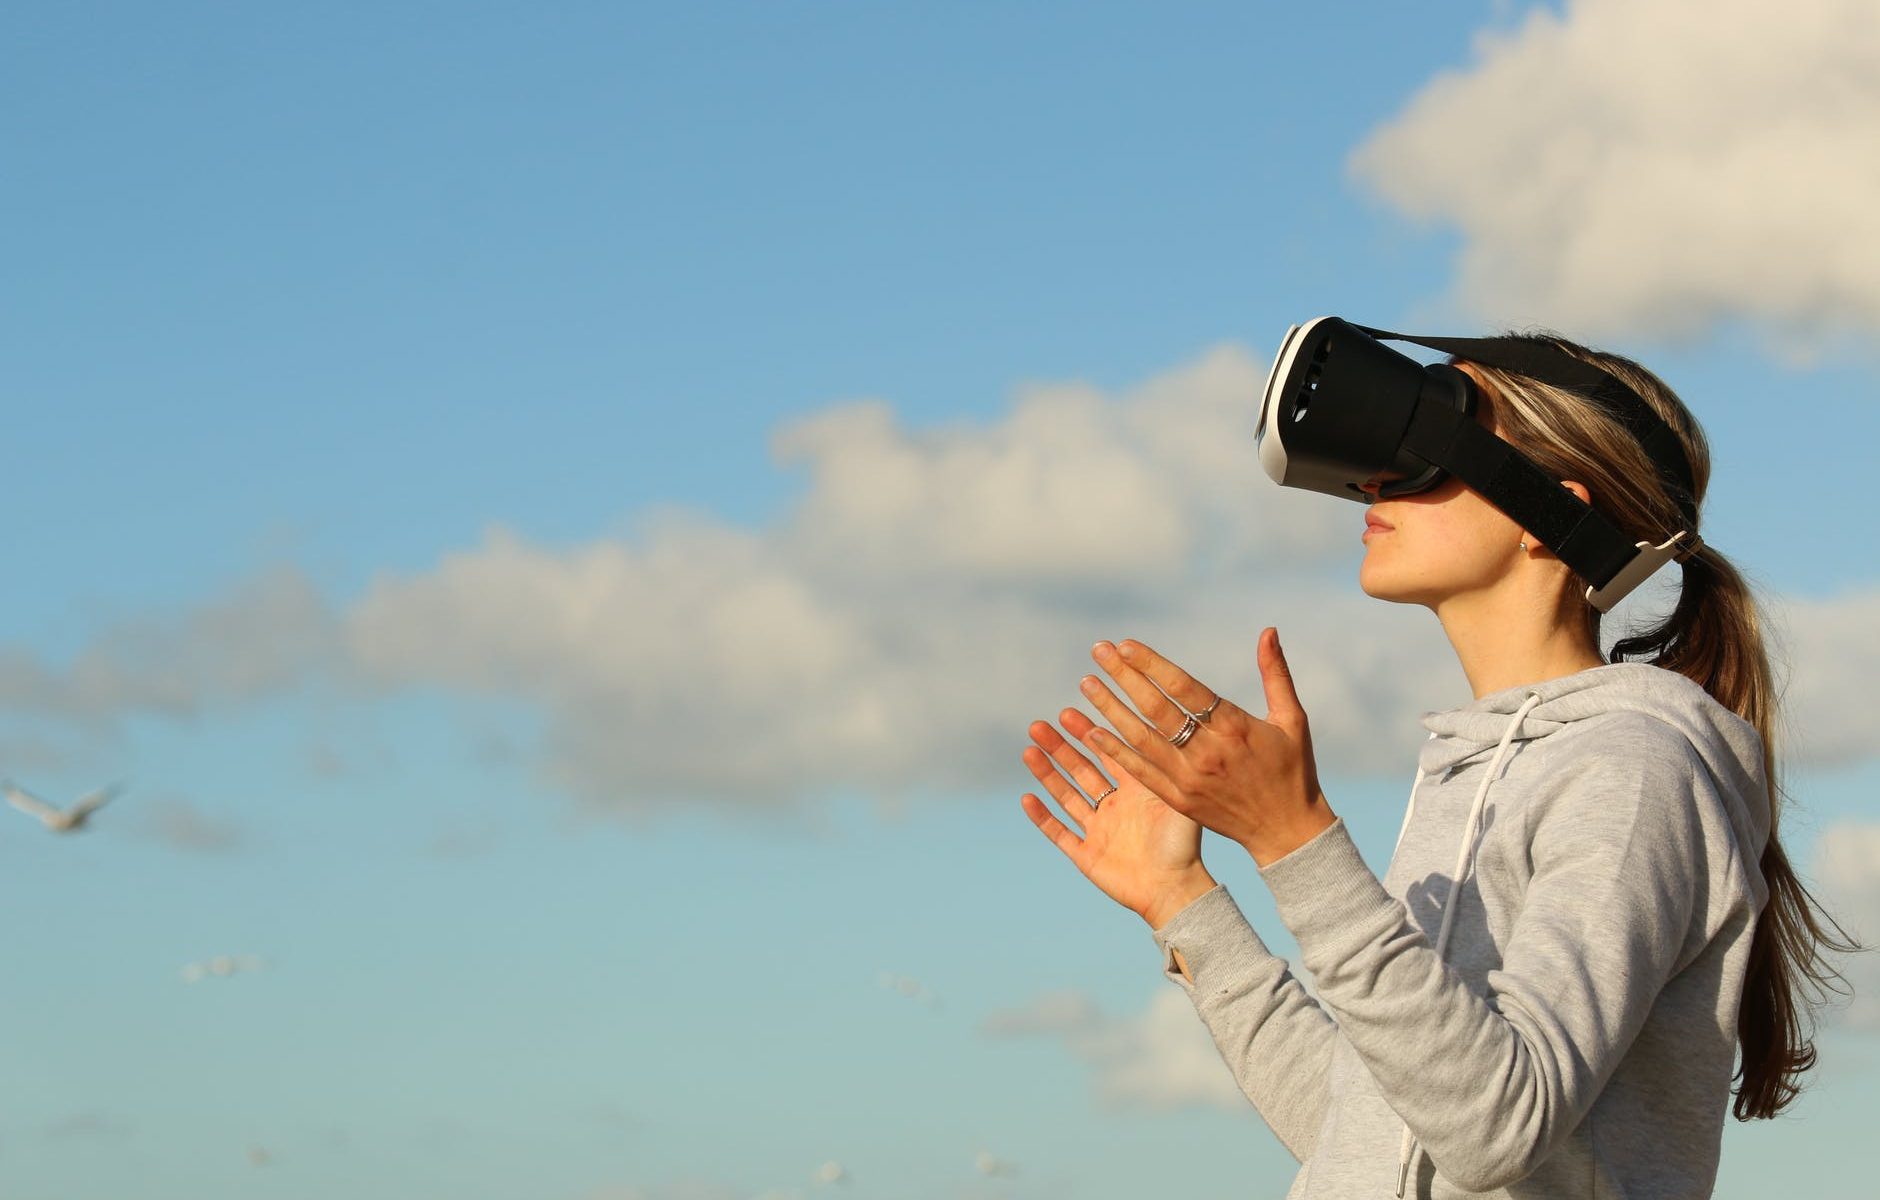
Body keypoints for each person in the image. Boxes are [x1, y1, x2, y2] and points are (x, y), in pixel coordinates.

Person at [1018, 335, 1863, 1198]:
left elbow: (1499, 1129)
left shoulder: (1635, 769)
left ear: (1549, 513)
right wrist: (1182, 901)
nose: (1372, 479)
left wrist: (1293, 838)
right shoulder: (1469, 770)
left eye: (1426, 441)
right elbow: (1369, 1133)